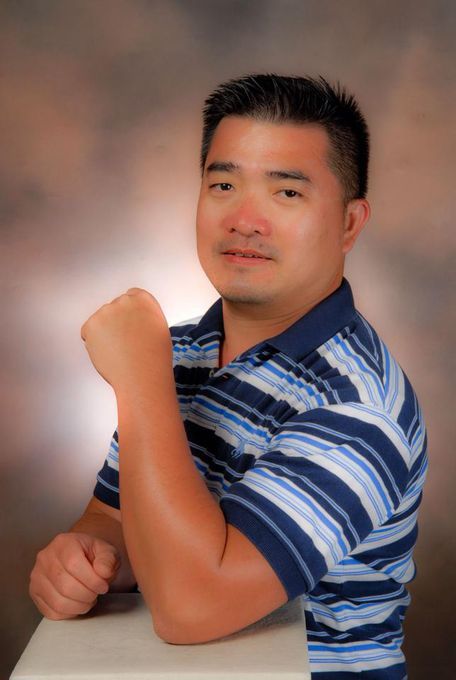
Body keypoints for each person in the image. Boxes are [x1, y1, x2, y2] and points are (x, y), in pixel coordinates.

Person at [29, 74, 428, 679]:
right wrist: (89, 559)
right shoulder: (182, 351)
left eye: (286, 192)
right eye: (223, 184)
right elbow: (114, 516)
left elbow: (192, 608)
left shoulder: (358, 406)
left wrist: (140, 380)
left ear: (350, 223)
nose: (245, 220)